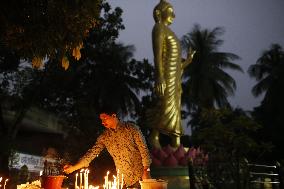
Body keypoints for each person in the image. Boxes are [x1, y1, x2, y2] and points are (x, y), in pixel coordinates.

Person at [147, 0, 195, 148]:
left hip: (175, 77)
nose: (173, 14)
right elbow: (158, 55)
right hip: (166, 76)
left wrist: (188, 61)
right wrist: (159, 76)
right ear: (159, 13)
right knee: (165, 105)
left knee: (175, 107)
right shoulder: (159, 28)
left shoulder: (170, 32)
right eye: (170, 10)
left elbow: (176, 64)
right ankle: (154, 136)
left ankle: (176, 142)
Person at [63, 113, 152, 188]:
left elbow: (143, 149)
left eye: (105, 118)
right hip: (122, 180)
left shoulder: (131, 129)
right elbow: (91, 154)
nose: (102, 122)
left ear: (113, 115)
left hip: (140, 177)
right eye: (101, 120)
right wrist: (74, 167)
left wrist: (146, 171)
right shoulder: (105, 137)